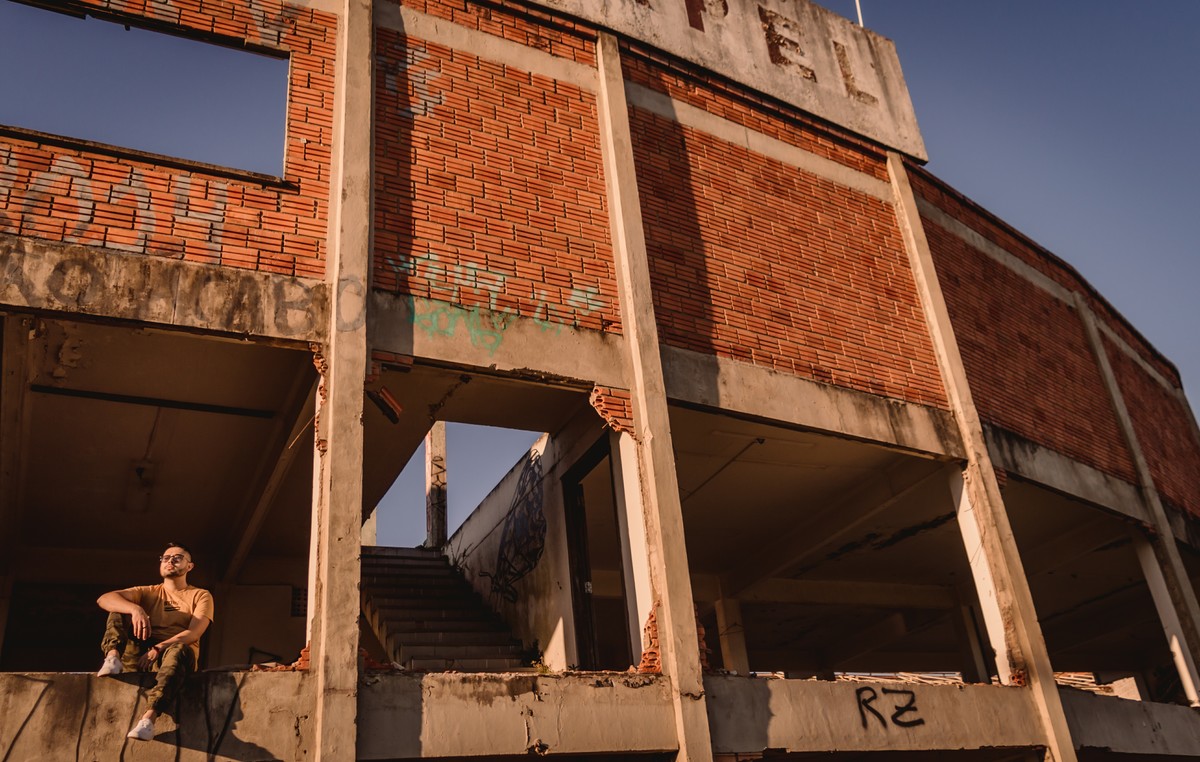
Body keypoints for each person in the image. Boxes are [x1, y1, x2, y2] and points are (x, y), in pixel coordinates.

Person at [96, 542, 214, 741]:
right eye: (166, 558)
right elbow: (104, 599)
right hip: (141, 654)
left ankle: (148, 720)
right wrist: (135, 609)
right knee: (119, 608)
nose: (170, 561)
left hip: (174, 657)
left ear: (189, 566)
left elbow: (193, 634)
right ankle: (113, 657)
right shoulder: (148, 591)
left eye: (177, 558)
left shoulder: (200, 595)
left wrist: (159, 648)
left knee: (179, 648)